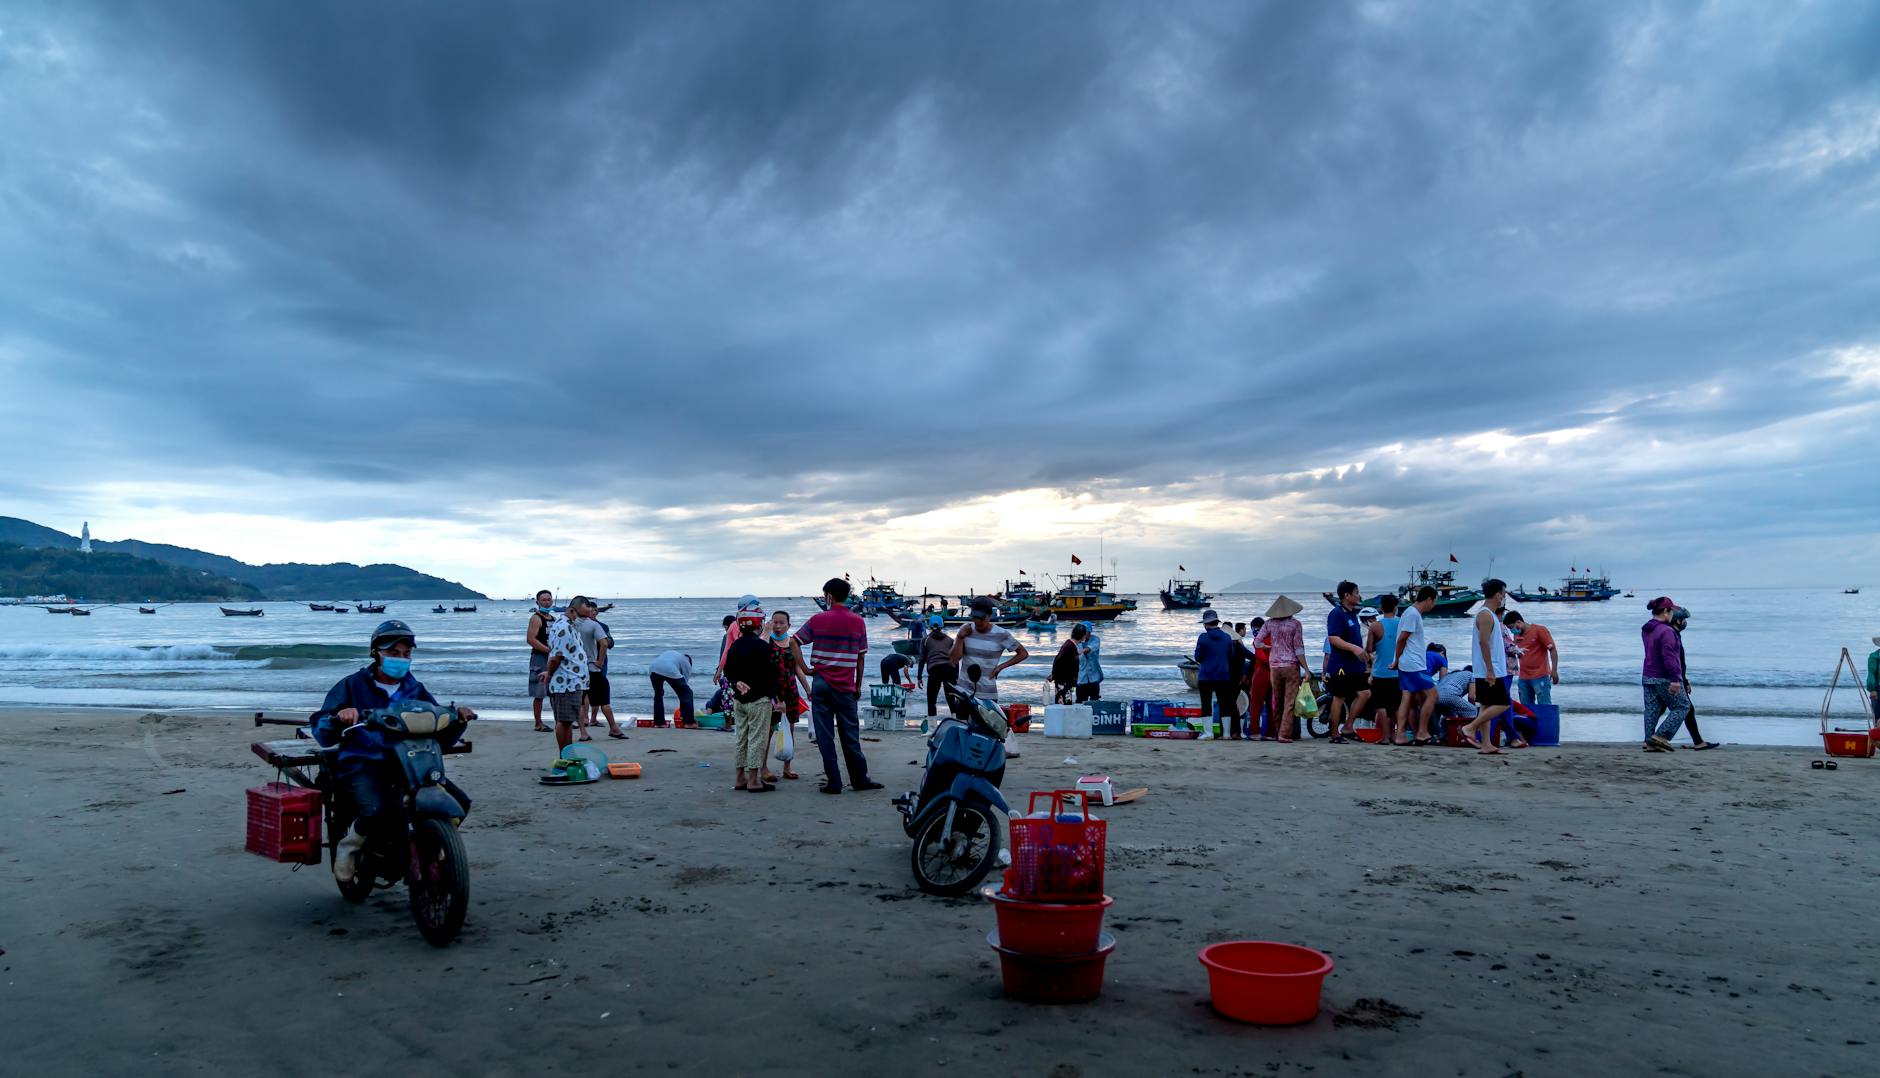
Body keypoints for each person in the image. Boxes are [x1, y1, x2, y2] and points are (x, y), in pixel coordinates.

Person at [316, 619, 476, 884]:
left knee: (461, 803)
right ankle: (350, 845)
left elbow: (437, 732)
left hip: (411, 763)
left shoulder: (416, 689)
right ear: (375, 653)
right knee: (376, 810)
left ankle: (432, 846)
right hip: (365, 762)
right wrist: (338, 716)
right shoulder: (352, 685)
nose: (401, 659)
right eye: (393, 653)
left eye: (406, 654)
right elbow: (321, 730)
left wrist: (458, 719)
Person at [794, 578, 882, 794]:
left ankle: (834, 781)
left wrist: (805, 669)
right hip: (846, 685)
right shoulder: (858, 621)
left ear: (829, 596)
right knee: (850, 735)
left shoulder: (818, 619)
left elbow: (793, 641)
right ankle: (859, 779)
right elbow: (860, 658)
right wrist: (858, 686)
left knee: (825, 736)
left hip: (822, 682)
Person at [950, 596, 1029, 754]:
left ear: (989, 616)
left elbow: (1023, 653)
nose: (977, 621)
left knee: (987, 734)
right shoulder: (966, 630)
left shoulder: (1001, 634)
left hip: (987, 693)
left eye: (981, 618)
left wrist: (1001, 667)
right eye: (974, 617)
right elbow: (954, 659)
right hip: (964, 691)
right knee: (963, 730)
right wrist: (959, 637)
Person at [720, 607, 777, 792]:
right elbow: (770, 673)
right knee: (757, 739)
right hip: (759, 699)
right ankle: (753, 780)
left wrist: (736, 682)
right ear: (757, 624)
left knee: (741, 738)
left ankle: (739, 777)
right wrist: (777, 698)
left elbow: (728, 670)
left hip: (740, 700)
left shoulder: (736, 645)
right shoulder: (762, 646)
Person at [1460, 579, 1514, 755]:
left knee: (1485, 705)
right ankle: (1470, 727)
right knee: (1503, 703)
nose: (1504, 597)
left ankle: (1486, 744)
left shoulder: (1488, 614)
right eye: (1503, 594)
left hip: (1489, 668)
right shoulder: (1485, 615)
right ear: (1498, 594)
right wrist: (1490, 669)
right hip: (1490, 669)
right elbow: (1483, 643)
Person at [540, 596, 593, 751]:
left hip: (573, 681)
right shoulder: (563, 627)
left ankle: (568, 754)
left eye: (587, 615)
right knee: (564, 721)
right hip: (566, 683)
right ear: (571, 610)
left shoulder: (571, 626)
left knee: (568, 721)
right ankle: (565, 757)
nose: (584, 619)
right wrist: (549, 673)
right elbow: (556, 657)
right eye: (582, 615)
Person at [1253, 596, 1310, 743]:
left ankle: (1278, 732)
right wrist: (1306, 669)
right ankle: (1285, 734)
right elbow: (1298, 648)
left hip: (1274, 666)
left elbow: (1256, 642)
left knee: (1277, 701)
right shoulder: (1295, 624)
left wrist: (1266, 647)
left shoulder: (1269, 624)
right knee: (1289, 702)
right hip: (1290, 665)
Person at [1390, 586, 1439, 745]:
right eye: (1434, 602)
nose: (1434, 606)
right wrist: (1396, 660)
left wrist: (1399, 661)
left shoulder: (1410, 613)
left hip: (1408, 663)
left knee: (1407, 698)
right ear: (1429, 599)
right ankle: (1422, 732)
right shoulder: (1413, 614)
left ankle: (1401, 735)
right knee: (1432, 695)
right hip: (1414, 664)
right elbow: (1402, 639)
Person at [1324, 581, 1372, 744]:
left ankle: (1348, 727)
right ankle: (1334, 733)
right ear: (1347, 595)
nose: (1359, 596)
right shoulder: (1336, 614)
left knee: (1365, 693)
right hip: (1341, 665)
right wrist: (1354, 649)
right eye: (1357, 592)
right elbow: (1333, 639)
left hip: (1355, 665)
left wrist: (1364, 653)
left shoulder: (1352, 614)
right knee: (1339, 697)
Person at [1640, 596, 1691, 752]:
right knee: (1682, 706)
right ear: (1666, 611)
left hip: (1648, 675)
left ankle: (1650, 742)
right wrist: (1676, 679)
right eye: (1671, 611)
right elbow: (1670, 657)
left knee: (1651, 709)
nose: (1673, 614)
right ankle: (1661, 736)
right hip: (1664, 677)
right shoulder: (1667, 631)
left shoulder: (1647, 629)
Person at [571, 598, 624, 740]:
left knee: (581, 702)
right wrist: (600, 662)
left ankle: (583, 733)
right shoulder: (593, 625)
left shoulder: (569, 624)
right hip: (592, 667)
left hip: (576, 668)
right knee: (604, 700)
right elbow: (605, 644)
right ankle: (613, 728)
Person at [1669, 607, 1720, 750]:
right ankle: (1697, 742)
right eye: (1683, 620)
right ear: (1677, 620)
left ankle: (1697, 741)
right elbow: (1676, 662)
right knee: (1687, 709)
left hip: (1674, 679)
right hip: (1672, 680)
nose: (1685, 622)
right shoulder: (1672, 635)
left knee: (1675, 709)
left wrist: (1684, 680)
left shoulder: (1674, 635)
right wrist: (1681, 681)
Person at [767, 610, 808, 780]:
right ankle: (763, 768)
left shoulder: (792, 643)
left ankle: (787, 767)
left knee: (789, 729)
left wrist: (808, 689)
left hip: (790, 690)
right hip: (771, 691)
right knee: (767, 730)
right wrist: (765, 632)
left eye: (781, 622)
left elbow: (798, 668)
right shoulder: (766, 642)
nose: (777, 626)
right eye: (774, 622)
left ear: (788, 625)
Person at [1191, 609, 1238, 740]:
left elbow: (1198, 657)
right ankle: (1227, 734)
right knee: (1225, 704)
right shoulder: (1227, 637)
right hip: (1223, 676)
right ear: (1217, 622)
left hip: (1206, 676)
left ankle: (1208, 733)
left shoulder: (1203, 637)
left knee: (1206, 704)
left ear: (1205, 624)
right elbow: (1231, 656)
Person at [1502, 610, 1559, 708]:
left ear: (1519, 622)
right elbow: (1513, 649)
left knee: (1544, 706)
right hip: (1523, 677)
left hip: (1540, 675)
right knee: (1526, 708)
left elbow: (1552, 650)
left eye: (1512, 627)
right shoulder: (1517, 635)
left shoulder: (1539, 630)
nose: (1513, 631)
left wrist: (1554, 671)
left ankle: (1545, 723)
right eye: (1510, 629)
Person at [1367, 596, 1402, 743]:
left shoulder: (1375, 626)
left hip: (1380, 670)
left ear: (1381, 608)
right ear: (1395, 607)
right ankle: (1397, 734)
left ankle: (1386, 736)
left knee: (1380, 705)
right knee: (1396, 705)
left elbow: (1369, 648)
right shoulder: (1401, 623)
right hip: (1398, 670)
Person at [525, 589, 555, 732]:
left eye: (549, 599)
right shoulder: (536, 618)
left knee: (555, 691)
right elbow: (531, 640)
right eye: (543, 600)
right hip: (539, 658)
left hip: (553, 659)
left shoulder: (553, 619)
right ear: (537, 602)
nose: (546, 602)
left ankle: (561, 720)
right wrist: (549, 651)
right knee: (539, 692)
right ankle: (538, 723)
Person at [920, 615, 957, 717]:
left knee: (931, 700)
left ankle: (932, 728)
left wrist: (919, 677)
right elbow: (955, 659)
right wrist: (956, 676)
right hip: (949, 669)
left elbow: (922, 659)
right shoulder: (950, 640)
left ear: (930, 627)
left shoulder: (925, 640)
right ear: (942, 626)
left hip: (934, 669)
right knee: (951, 698)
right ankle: (956, 722)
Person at [648, 650, 694, 728]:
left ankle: (659, 723)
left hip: (653, 669)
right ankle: (688, 722)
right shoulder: (686, 662)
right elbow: (685, 683)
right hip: (669, 668)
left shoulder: (674, 654)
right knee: (687, 693)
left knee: (658, 695)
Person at [1074, 622, 1103, 703]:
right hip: (1081, 678)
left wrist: (1082, 651)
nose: (1086, 634)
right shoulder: (1077, 642)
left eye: (1087, 632)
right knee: (1080, 702)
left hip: (1094, 677)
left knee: (1094, 702)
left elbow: (1090, 648)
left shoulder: (1095, 639)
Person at [1049, 631, 1080, 704]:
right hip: (1063, 680)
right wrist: (1053, 674)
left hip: (1065, 680)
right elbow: (1058, 660)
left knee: (1065, 703)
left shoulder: (1070, 644)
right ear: (1083, 636)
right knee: (1064, 704)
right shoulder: (1070, 645)